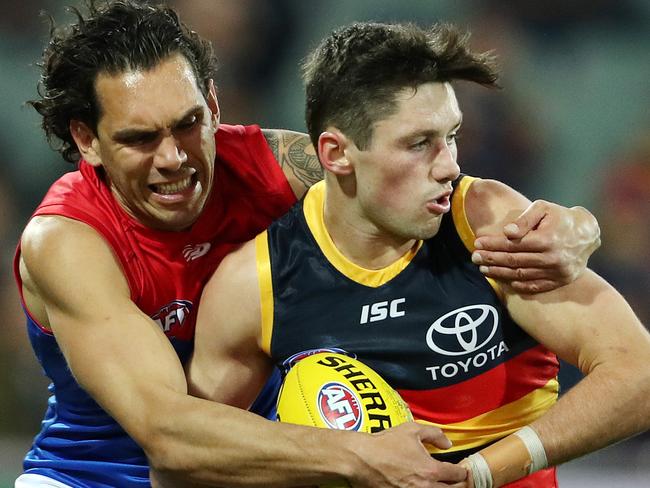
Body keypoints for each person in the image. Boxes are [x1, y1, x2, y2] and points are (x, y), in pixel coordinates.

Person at [13, 1, 601, 486]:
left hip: (266, 462)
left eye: (189, 124)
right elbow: (166, 432)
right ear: (88, 141)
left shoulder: (269, 164)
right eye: (140, 138)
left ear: (215, 105)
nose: (174, 158)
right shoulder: (67, 243)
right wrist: (359, 457)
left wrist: (576, 227)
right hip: (95, 474)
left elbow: (411, 180)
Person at [187, 21, 650, 488]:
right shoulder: (256, 285)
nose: (450, 165)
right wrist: (333, 459)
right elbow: (190, 461)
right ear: (336, 154)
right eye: (418, 144)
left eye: (451, 136)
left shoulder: (486, 225)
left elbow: (638, 376)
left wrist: (476, 475)